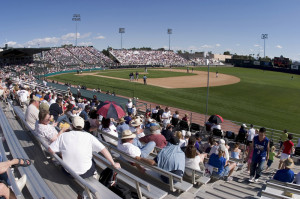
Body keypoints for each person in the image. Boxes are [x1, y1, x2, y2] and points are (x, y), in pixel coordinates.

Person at [48, 116, 120, 178]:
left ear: (72, 125)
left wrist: (62, 154)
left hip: (67, 172)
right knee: (91, 157)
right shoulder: (89, 136)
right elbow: (104, 150)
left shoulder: (63, 136)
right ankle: (94, 173)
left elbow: (50, 149)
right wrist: (113, 164)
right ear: (82, 126)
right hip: (84, 174)